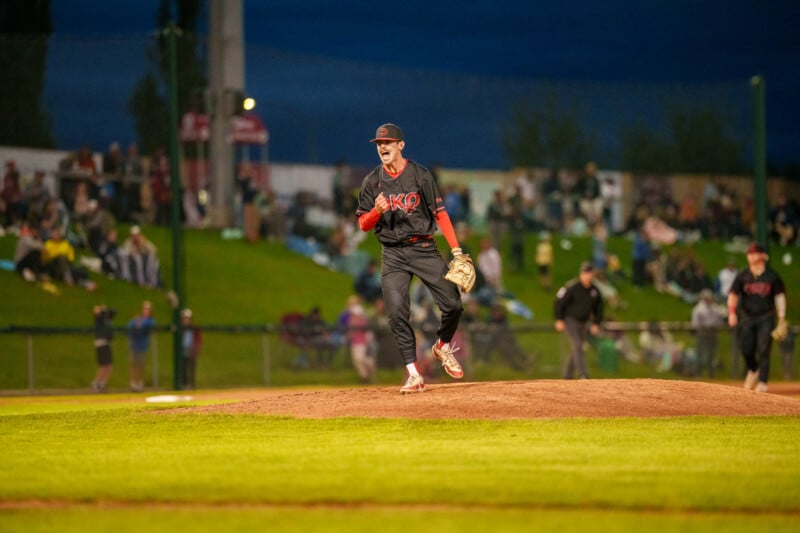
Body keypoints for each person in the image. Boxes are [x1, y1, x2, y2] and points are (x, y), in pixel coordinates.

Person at [355, 123, 466, 393]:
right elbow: (363, 224)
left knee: (453, 304)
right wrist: (376, 212)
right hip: (392, 253)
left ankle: (442, 346)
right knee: (396, 313)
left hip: (423, 247)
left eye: (388, 142)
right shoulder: (372, 181)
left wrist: (456, 251)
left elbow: (440, 213)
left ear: (400, 145)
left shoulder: (420, 175)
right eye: (379, 143)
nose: (383, 147)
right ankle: (414, 374)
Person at [727, 243, 787, 393]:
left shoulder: (771, 276)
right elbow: (733, 294)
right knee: (746, 348)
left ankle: (762, 382)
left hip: (766, 316)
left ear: (761, 256)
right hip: (747, 316)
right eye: (749, 254)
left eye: (753, 253)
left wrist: (781, 317)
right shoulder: (743, 275)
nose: (750, 256)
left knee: (763, 348)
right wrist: (732, 312)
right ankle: (753, 369)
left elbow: (779, 297)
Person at [554, 261, 604, 379]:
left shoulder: (595, 291)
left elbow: (599, 307)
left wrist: (596, 323)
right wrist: (559, 319)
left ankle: (567, 377)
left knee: (577, 348)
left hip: (583, 322)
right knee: (577, 345)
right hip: (570, 320)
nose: (587, 276)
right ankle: (583, 374)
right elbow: (559, 302)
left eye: (589, 273)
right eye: (584, 273)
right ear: (581, 274)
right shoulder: (572, 287)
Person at [691, 289, 724, 378]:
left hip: (712, 333)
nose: (707, 299)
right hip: (702, 333)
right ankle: (698, 373)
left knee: (711, 354)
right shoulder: (698, 309)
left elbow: (719, 320)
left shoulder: (715, 308)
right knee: (700, 353)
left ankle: (711, 374)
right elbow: (695, 323)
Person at [127, 301, 155, 392]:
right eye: (145, 309)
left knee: (141, 364)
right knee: (133, 364)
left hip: (142, 345)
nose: (146, 311)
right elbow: (130, 326)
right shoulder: (136, 319)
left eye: (148, 309)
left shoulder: (150, 320)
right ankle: (133, 383)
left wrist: (140, 324)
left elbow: (149, 325)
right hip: (134, 345)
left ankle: (140, 382)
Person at [91, 305, 116, 393]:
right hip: (101, 344)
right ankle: (96, 383)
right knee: (103, 365)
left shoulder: (107, 318)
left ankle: (102, 383)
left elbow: (113, 311)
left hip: (107, 343)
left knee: (109, 365)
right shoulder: (99, 319)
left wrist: (105, 309)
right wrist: (101, 310)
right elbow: (99, 314)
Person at [180, 309, 202, 389]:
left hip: (191, 351)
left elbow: (198, 340)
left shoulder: (194, 329)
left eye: (187, 318)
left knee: (192, 369)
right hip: (183, 352)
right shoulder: (181, 329)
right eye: (184, 318)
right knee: (183, 369)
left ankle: (192, 386)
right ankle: (184, 385)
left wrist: (196, 349)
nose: (186, 320)